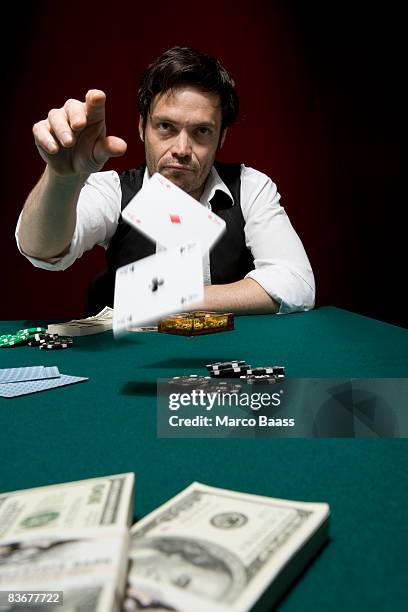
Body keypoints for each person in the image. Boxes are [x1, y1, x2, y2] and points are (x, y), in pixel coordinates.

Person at [16, 47, 315, 316]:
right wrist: (61, 179)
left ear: (221, 137)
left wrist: (171, 297)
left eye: (201, 131)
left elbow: (297, 284)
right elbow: (43, 250)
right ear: (142, 128)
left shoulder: (251, 187)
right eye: (166, 127)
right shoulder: (114, 190)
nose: (182, 150)